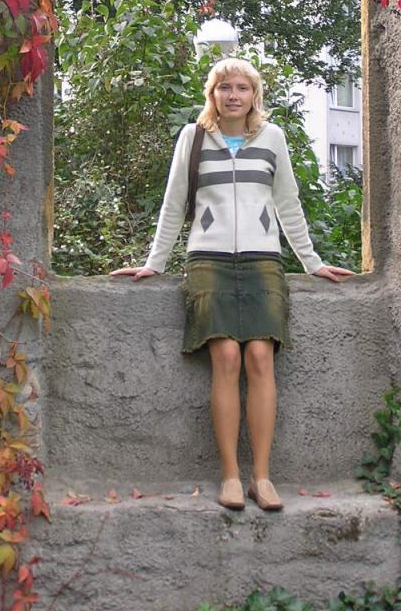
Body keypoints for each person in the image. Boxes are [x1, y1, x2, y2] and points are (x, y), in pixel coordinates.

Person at [110, 57, 354, 512]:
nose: (234, 95)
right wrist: (153, 262)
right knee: (225, 356)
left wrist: (313, 262)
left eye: (242, 87)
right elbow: (173, 203)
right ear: (213, 94)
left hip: (263, 258)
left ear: (254, 95)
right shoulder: (193, 138)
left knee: (260, 356)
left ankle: (262, 477)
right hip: (208, 258)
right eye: (225, 88)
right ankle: (230, 477)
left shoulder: (272, 138)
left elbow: (288, 204)